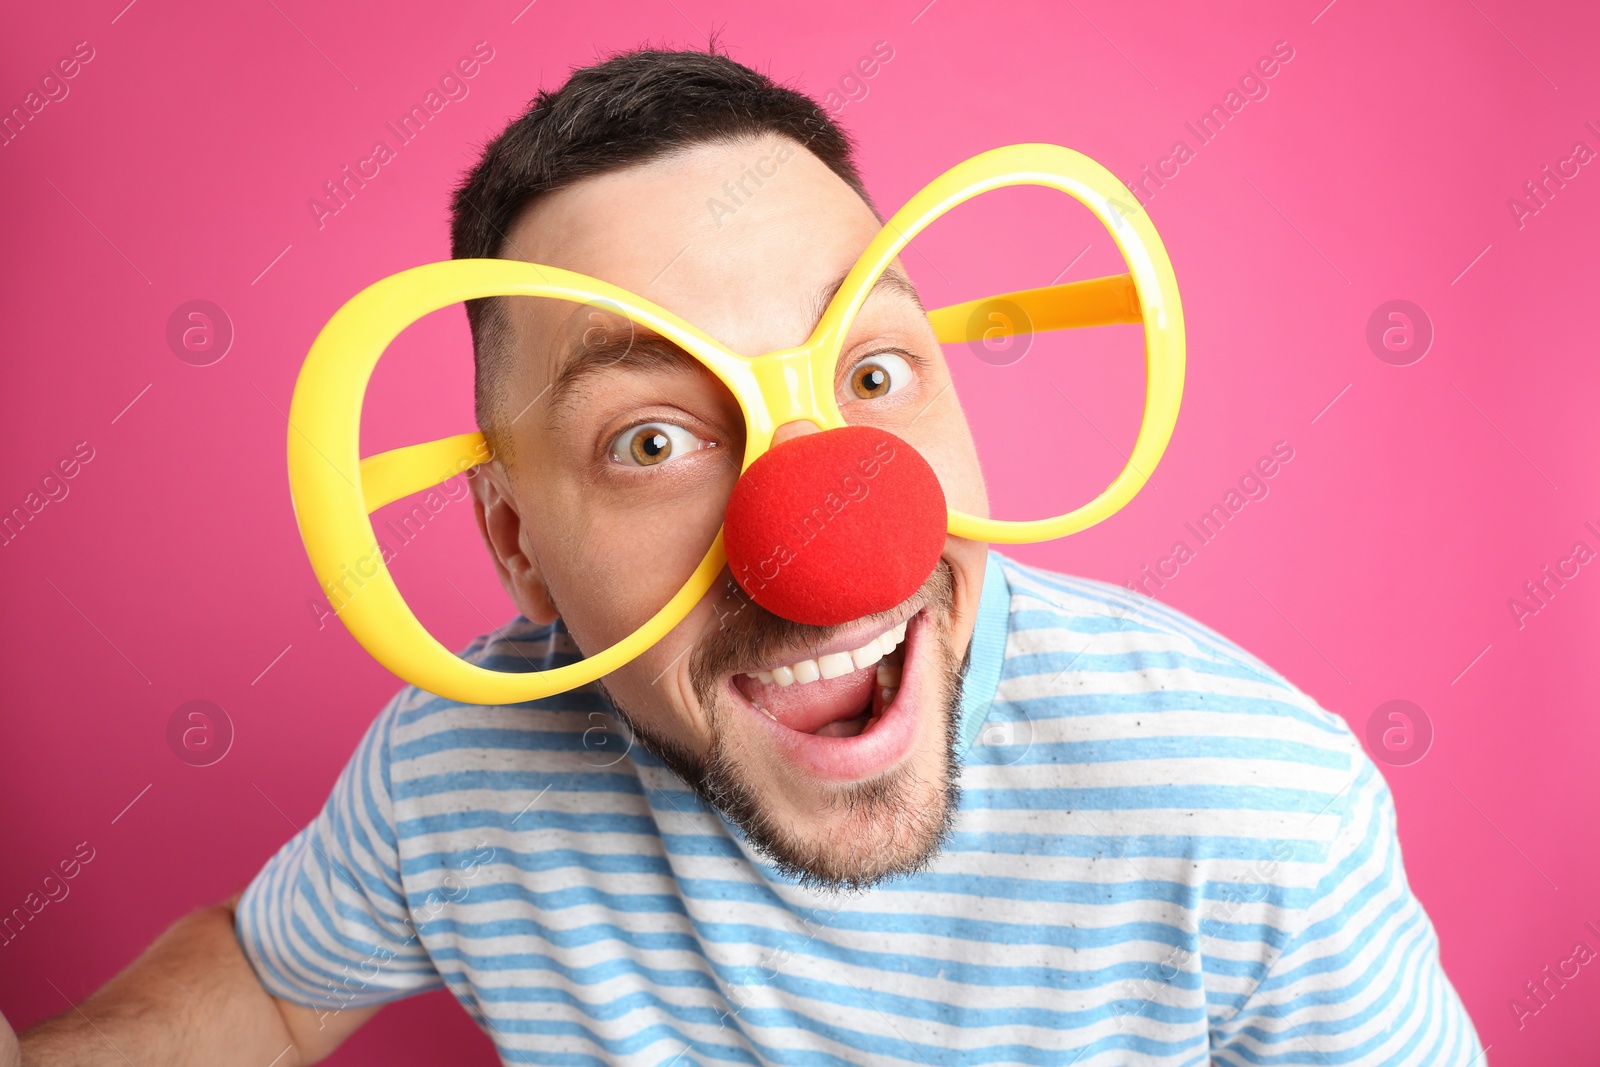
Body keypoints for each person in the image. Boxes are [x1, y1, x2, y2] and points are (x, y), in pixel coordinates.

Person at [11, 46, 1484, 1066]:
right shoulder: (454, 773)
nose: (828, 535)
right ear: (521, 552)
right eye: (652, 440)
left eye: (873, 372)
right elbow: (269, 993)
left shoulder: (1254, 812)